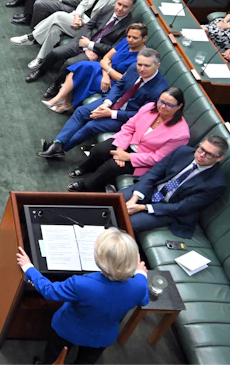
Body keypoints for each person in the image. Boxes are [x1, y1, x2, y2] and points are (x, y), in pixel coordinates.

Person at [16, 228, 149, 365]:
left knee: (54, 355)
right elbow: (144, 300)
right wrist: (141, 275)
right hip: (102, 337)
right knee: (85, 362)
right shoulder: (139, 285)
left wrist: (29, 268)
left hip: (69, 330)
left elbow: (50, 291)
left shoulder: (81, 284)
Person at [39, 49, 169, 158]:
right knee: (81, 112)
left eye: (146, 66)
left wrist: (111, 113)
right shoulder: (133, 67)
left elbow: (141, 116)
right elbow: (119, 85)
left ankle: (61, 148)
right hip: (112, 103)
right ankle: (57, 143)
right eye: (140, 64)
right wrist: (107, 103)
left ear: (157, 65)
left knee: (92, 125)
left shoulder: (160, 89)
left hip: (125, 118)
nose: (141, 68)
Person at [68, 87, 189, 192]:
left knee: (112, 166)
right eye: (161, 101)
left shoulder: (180, 134)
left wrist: (128, 157)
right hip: (128, 141)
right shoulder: (150, 107)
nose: (162, 106)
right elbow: (129, 126)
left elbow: (157, 158)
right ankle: (85, 168)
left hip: (142, 158)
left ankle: (87, 185)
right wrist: (120, 149)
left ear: (179, 106)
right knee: (100, 149)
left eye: (169, 105)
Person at [11, 0, 121, 68]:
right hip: (78, 18)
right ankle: (40, 58)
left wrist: (83, 22)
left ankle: (31, 37)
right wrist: (77, 16)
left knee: (58, 16)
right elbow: (83, 3)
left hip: (89, 30)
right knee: (54, 28)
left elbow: (101, 23)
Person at [123, 136, 227, 237]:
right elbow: (154, 173)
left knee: (127, 223)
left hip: (170, 209)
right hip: (152, 190)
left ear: (219, 158)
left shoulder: (215, 184)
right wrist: (134, 198)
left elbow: (181, 208)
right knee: (116, 201)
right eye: (201, 149)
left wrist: (143, 207)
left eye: (209, 154)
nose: (202, 155)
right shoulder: (182, 152)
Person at [26, 0, 136, 87]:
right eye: (119, 4)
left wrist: (90, 45)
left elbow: (114, 48)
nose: (120, 8)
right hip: (83, 41)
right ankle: (40, 71)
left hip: (97, 52)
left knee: (69, 63)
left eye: (125, 7)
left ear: (131, 9)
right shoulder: (107, 9)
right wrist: (86, 42)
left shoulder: (130, 27)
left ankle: (55, 85)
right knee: (55, 53)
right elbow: (89, 26)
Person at [44, 22, 147, 112]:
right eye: (129, 36)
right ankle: (60, 98)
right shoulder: (125, 42)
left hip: (114, 83)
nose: (130, 40)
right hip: (104, 71)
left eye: (135, 38)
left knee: (82, 76)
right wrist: (106, 72)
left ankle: (67, 103)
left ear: (144, 38)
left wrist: (107, 69)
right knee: (80, 67)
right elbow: (106, 57)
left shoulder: (142, 58)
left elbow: (123, 79)